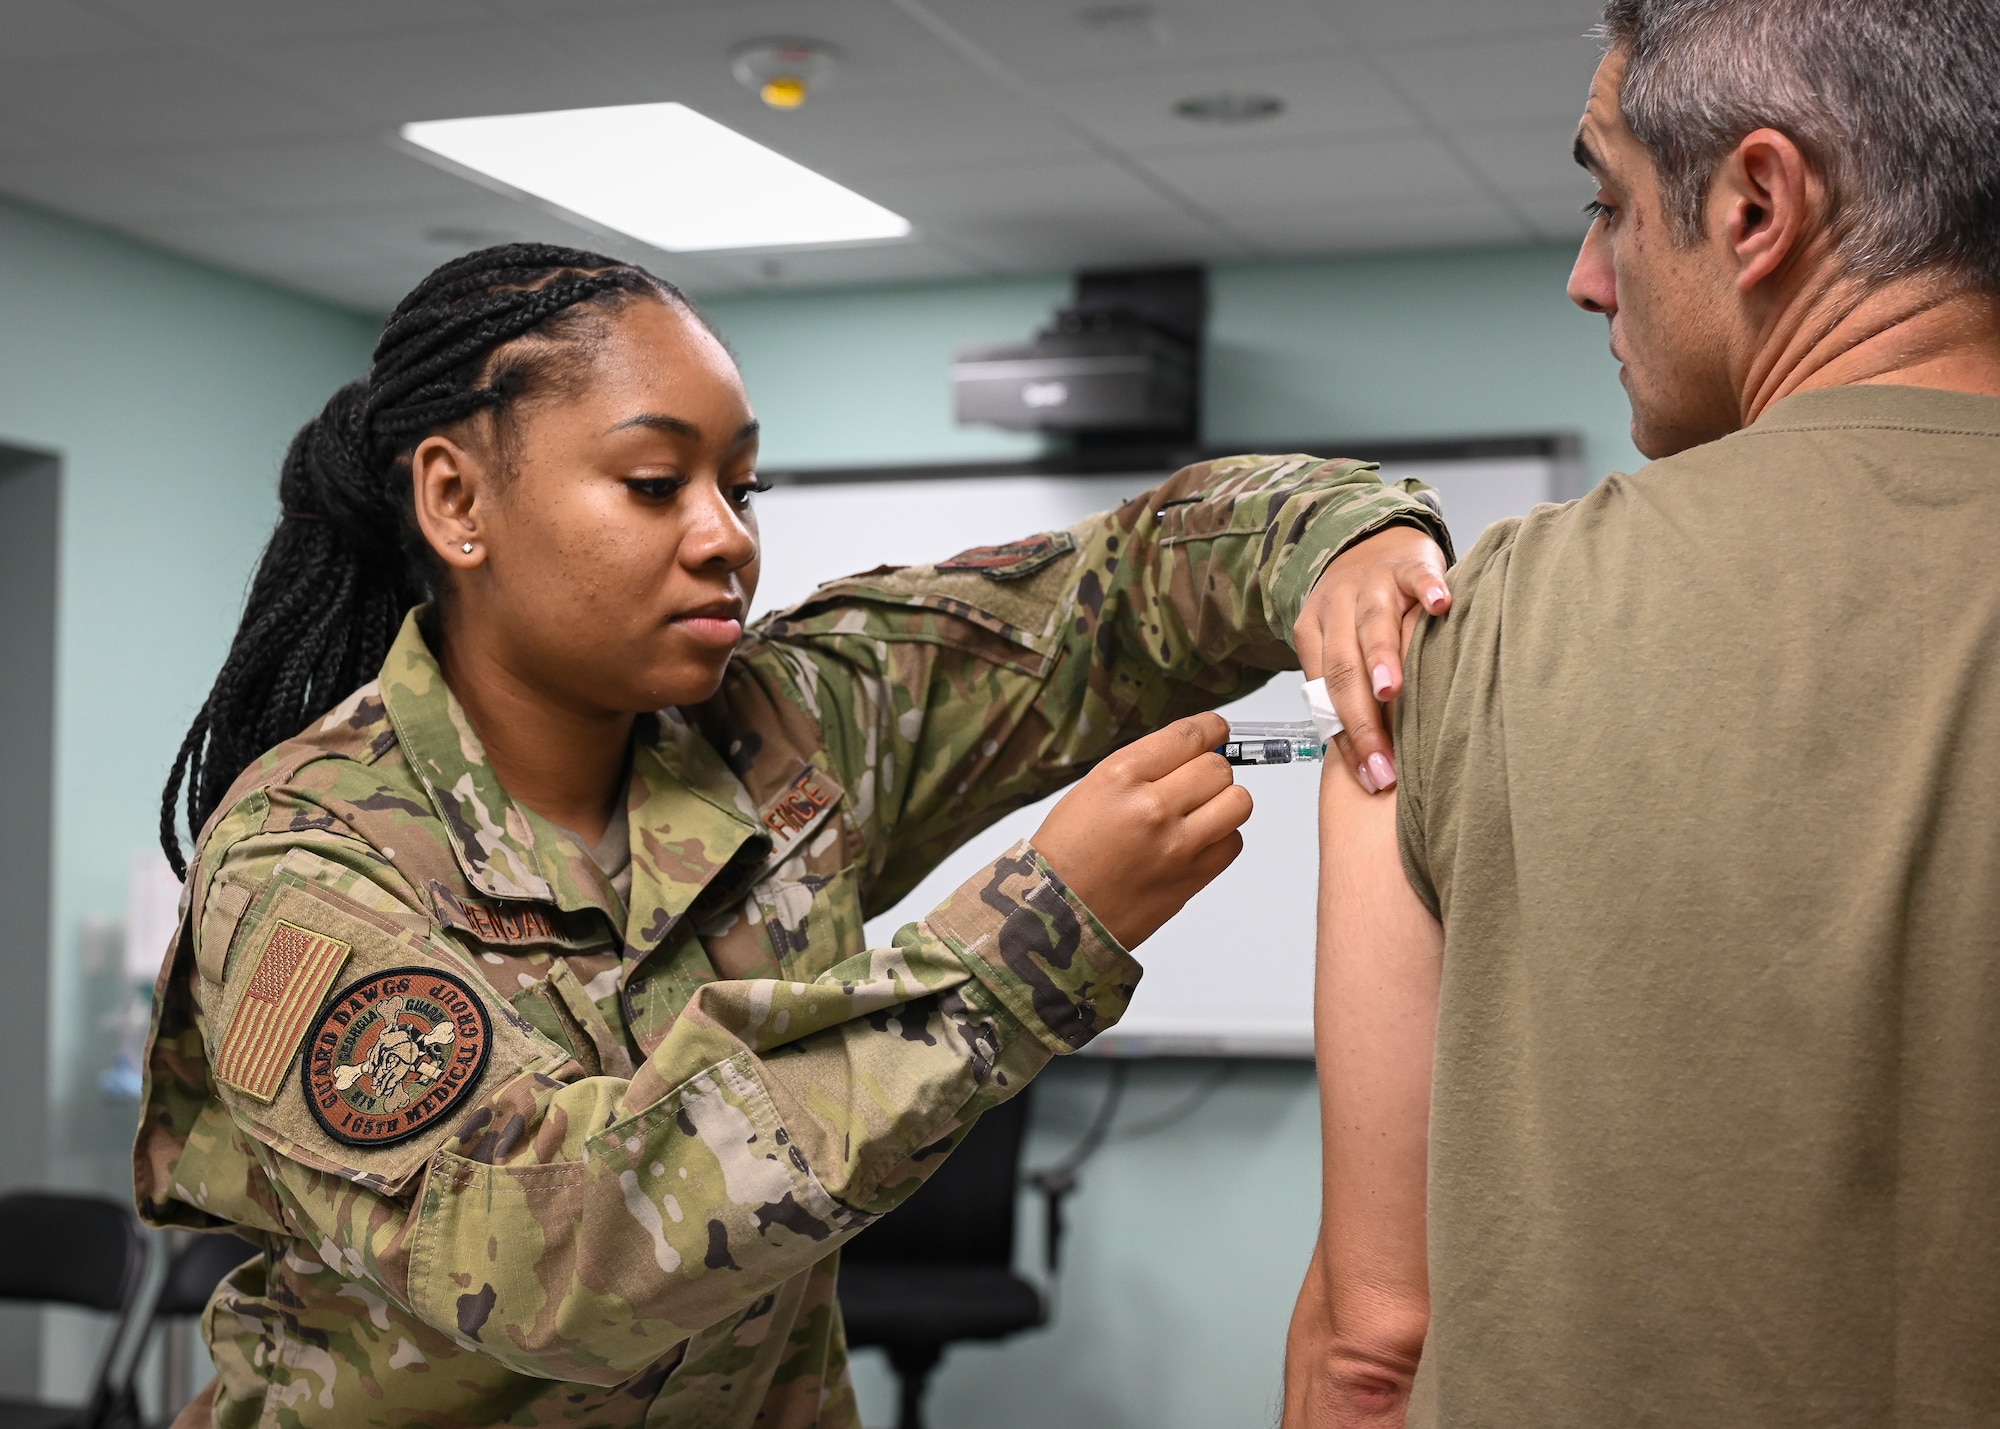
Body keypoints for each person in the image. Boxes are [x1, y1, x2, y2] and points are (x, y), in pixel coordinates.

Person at [134, 242, 1454, 1427]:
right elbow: (544, 1250)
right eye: (657, 483)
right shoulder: (307, 855)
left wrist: (1342, 542)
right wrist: (1029, 940)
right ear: (456, 501)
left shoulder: (787, 724)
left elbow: (1113, 595)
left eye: (743, 486)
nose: (727, 539)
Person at [1285, 0, 2000, 1424]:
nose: (1586, 277)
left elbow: (1375, 1340)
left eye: (1608, 205)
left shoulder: (1452, 646)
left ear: (1755, 205)